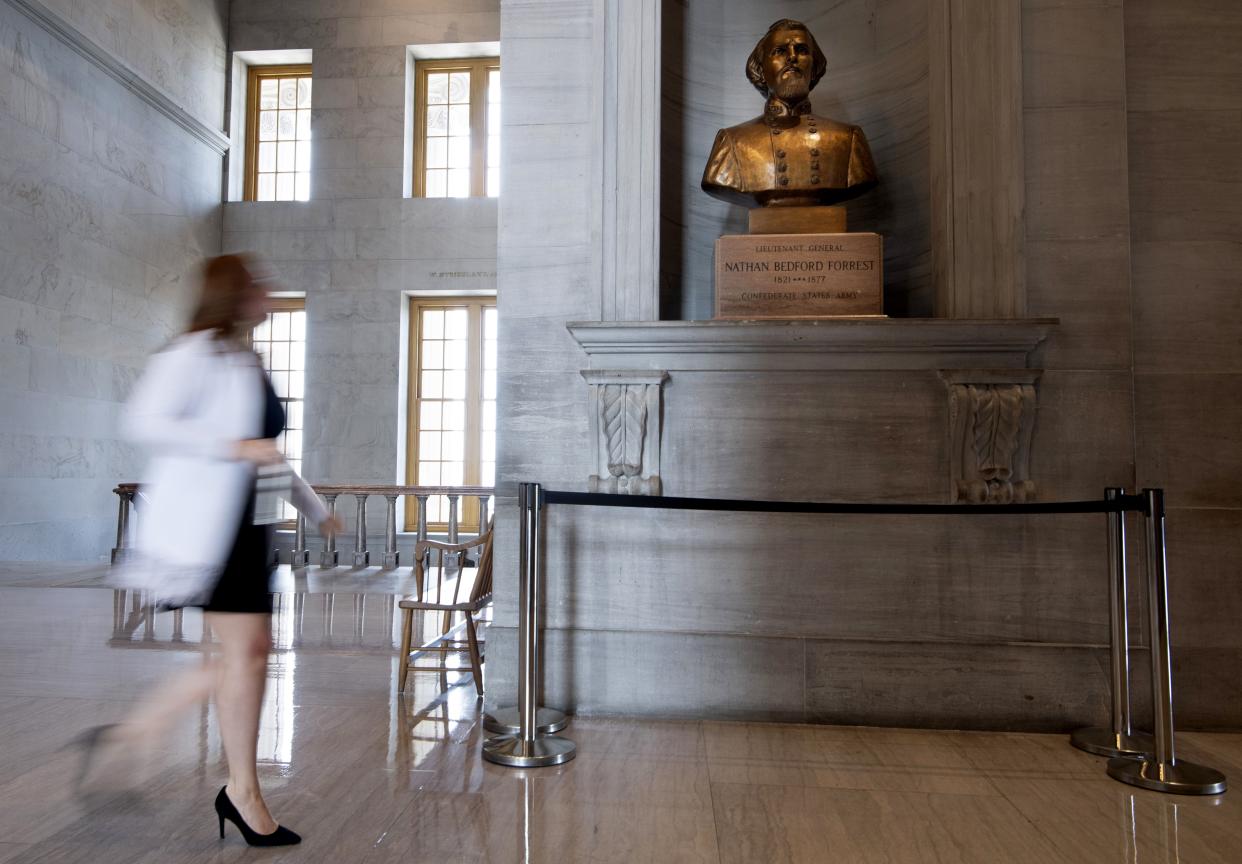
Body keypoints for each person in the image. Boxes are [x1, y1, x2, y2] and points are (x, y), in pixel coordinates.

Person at [81, 254, 340, 847]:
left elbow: (266, 452)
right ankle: (153, 745)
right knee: (244, 653)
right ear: (233, 295)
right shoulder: (191, 352)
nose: (268, 294)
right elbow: (144, 422)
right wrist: (232, 445)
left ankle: (237, 789)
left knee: (246, 656)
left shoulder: (245, 359)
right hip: (207, 531)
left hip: (246, 527)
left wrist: (317, 510)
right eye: (258, 286)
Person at [701, 18, 878, 208]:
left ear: (814, 66)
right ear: (760, 69)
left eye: (802, 50)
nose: (792, 57)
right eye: (780, 51)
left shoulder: (848, 139)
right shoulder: (732, 142)